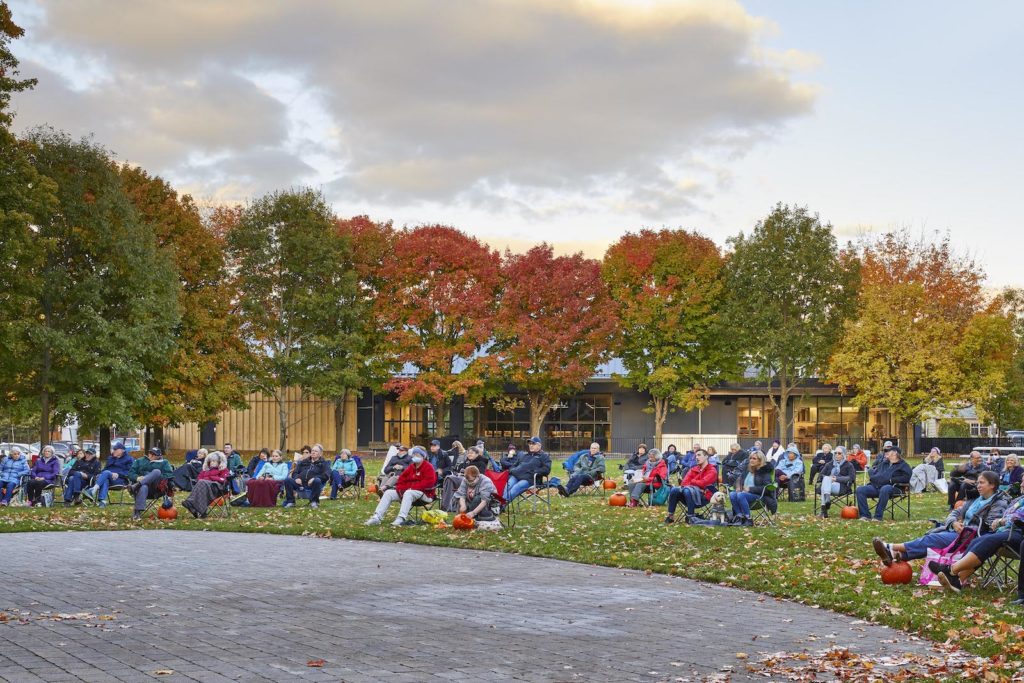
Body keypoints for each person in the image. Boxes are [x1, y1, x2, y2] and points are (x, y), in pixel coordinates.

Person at [873, 471, 1007, 568]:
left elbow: (990, 527)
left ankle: (890, 547)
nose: (978, 485)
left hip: (974, 539)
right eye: (977, 482)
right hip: (959, 532)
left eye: (982, 483)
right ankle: (900, 556)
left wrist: (967, 528)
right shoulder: (975, 500)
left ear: (992, 485)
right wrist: (954, 523)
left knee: (932, 539)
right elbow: (954, 512)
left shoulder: (998, 503)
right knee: (933, 536)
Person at [932, 490, 1024, 593]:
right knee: (978, 540)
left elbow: (1019, 516)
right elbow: (1005, 515)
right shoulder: (1019, 500)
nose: (1021, 484)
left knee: (989, 540)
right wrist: (1000, 521)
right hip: (1005, 532)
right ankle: (958, 579)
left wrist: (1002, 521)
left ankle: (951, 570)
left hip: (1019, 534)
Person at [365, 446, 437, 526]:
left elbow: (428, 483)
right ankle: (377, 517)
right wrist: (403, 488)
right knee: (388, 492)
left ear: (423, 456)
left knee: (409, 492)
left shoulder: (428, 467)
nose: (415, 457)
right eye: (414, 455)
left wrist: (411, 487)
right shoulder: (411, 467)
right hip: (407, 492)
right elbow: (401, 480)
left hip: (425, 494)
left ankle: (401, 518)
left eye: (418, 455)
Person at [855, 446, 912, 521]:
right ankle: (865, 515)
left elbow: (907, 477)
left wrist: (892, 480)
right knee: (860, 490)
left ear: (895, 453)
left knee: (885, 489)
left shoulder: (903, 465)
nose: (886, 453)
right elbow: (874, 472)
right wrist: (874, 477)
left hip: (894, 488)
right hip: (877, 486)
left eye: (888, 451)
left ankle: (877, 517)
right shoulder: (884, 463)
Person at [664, 449, 716, 522]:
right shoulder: (693, 469)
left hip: (704, 497)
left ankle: (691, 516)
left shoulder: (712, 470)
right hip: (688, 496)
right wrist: (695, 485)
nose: (696, 458)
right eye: (696, 456)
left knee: (687, 490)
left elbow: (703, 483)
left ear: (706, 456)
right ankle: (670, 516)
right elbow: (683, 483)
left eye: (699, 455)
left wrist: (692, 481)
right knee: (674, 489)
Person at [728, 450, 775, 526]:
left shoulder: (765, 472)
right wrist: (738, 486)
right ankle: (739, 517)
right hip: (744, 495)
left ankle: (748, 519)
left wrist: (750, 489)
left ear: (760, 461)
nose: (751, 460)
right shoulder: (747, 470)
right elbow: (739, 479)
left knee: (741, 495)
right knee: (732, 494)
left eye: (754, 458)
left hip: (759, 497)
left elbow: (767, 489)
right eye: (750, 458)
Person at [127, 447, 174, 520]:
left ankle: (136, 486)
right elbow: (130, 474)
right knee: (144, 486)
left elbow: (169, 475)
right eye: (150, 453)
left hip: (156, 488)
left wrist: (151, 476)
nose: (151, 455)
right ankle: (137, 514)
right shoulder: (139, 461)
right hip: (142, 488)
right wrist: (137, 478)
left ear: (159, 456)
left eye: (154, 454)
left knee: (157, 471)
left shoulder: (164, 462)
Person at [85, 442, 136, 507]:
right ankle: (102, 502)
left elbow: (129, 472)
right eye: (113, 449)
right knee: (105, 478)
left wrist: (118, 474)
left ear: (121, 450)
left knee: (106, 473)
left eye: (115, 450)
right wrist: (100, 474)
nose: (113, 451)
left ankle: (93, 490)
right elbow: (105, 469)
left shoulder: (129, 459)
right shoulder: (111, 458)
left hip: (120, 479)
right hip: (107, 478)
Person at [181, 451, 230, 518]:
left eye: (214, 461)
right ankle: (201, 511)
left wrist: (212, 478)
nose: (212, 463)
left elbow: (224, 480)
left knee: (202, 482)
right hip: (204, 488)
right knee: (201, 483)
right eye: (210, 461)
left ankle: (191, 503)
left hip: (217, 488)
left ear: (219, 462)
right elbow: (198, 478)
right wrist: (205, 480)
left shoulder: (224, 470)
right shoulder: (205, 470)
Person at [503, 437, 551, 503]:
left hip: (529, 479)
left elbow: (546, 469)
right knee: (508, 486)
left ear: (539, 445)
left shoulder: (543, 456)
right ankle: (498, 503)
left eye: (533, 444)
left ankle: (500, 505)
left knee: (516, 487)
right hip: (516, 476)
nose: (531, 445)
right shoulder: (524, 455)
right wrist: (513, 470)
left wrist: (534, 472)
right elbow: (514, 465)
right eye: (530, 444)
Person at [283, 444, 331, 508]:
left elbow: (326, 475)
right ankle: (290, 501)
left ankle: (314, 502)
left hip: (312, 485)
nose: (313, 452)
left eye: (316, 451)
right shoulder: (303, 462)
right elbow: (295, 472)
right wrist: (297, 478)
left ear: (320, 454)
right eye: (312, 450)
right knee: (288, 480)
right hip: (300, 484)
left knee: (317, 480)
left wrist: (314, 478)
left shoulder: (324, 463)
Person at [817, 446, 856, 518]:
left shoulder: (849, 465)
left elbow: (851, 478)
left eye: (839, 453)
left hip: (841, 487)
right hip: (828, 486)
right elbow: (820, 476)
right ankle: (827, 500)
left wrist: (836, 479)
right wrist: (829, 479)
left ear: (843, 454)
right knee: (826, 479)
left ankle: (823, 510)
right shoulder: (829, 464)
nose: (837, 455)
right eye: (835, 453)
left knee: (825, 484)